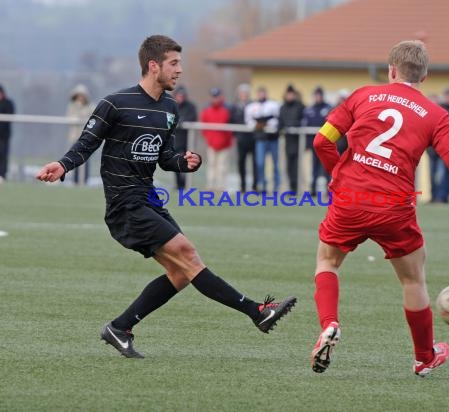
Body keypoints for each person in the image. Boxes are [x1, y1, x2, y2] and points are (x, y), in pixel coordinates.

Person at [36, 35, 296, 358]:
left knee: (181, 273)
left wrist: (182, 162)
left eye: (180, 63)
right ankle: (258, 312)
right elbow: (86, 143)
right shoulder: (115, 103)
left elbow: (164, 157)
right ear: (153, 65)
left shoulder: (170, 108)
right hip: (123, 205)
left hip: (149, 200)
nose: (180, 70)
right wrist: (62, 165)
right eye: (174, 63)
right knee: (187, 254)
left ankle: (119, 327)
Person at [309, 40, 449, 375]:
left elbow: (322, 140)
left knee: (328, 261)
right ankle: (424, 358)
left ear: (391, 70)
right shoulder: (436, 115)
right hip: (394, 205)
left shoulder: (362, 96)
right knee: (413, 279)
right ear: (424, 77)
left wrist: (340, 176)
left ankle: (329, 324)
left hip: (350, 199)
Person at [245, 86, 280, 192]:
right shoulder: (251, 107)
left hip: (273, 139)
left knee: (275, 163)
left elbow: (277, 119)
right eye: (260, 93)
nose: (262, 95)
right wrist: (257, 125)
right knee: (260, 163)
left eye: (263, 93)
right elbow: (248, 121)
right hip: (260, 138)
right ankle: (263, 185)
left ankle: (276, 186)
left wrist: (268, 124)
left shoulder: (273, 105)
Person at [200, 87, 233, 191]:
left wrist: (226, 141)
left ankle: (221, 185)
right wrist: (209, 139)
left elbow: (229, 126)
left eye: (217, 97)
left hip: (224, 144)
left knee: (222, 166)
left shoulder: (227, 110)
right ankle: (211, 184)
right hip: (211, 143)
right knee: (211, 164)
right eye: (214, 97)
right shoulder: (206, 111)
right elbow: (203, 128)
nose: (215, 99)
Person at [303, 86, 332, 196]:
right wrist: (306, 144)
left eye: (319, 95)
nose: (318, 97)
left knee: (326, 168)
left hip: (325, 144)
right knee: (314, 167)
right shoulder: (309, 110)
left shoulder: (328, 108)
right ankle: (313, 189)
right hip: (313, 144)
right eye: (316, 95)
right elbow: (306, 126)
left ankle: (328, 189)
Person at [66, 84, 95, 185]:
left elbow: (92, 120)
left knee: (85, 160)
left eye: (82, 96)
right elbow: (71, 119)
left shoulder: (91, 107)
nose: (80, 98)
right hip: (75, 139)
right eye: (78, 96)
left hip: (86, 139)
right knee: (73, 159)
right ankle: (75, 180)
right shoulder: (72, 106)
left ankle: (84, 181)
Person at [231, 84, 257, 193]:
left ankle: (255, 186)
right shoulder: (235, 107)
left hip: (253, 138)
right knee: (241, 163)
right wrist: (236, 135)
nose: (244, 96)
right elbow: (232, 121)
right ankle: (243, 186)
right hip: (241, 139)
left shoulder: (254, 106)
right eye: (242, 94)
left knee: (255, 163)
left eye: (246, 94)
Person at [279, 84, 305, 193]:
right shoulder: (283, 107)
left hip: (299, 140)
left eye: (291, 94)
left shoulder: (300, 107)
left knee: (299, 165)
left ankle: (300, 187)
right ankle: (291, 187)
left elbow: (303, 121)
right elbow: (280, 122)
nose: (290, 96)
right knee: (289, 165)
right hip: (287, 140)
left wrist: (293, 125)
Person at [172, 86, 197, 190]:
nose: (181, 97)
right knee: (176, 163)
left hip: (188, 140)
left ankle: (186, 184)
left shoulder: (190, 106)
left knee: (188, 162)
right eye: (179, 95)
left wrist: (181, 122)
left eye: (183, 95)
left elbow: (192, 118)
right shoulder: (171, 105)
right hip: (174, 140)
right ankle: (179, 184)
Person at [0, 84, 15, 183]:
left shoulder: (8, 103)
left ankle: (2, 175)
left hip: (4, 136)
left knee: (3, 155)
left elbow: (10, 117)